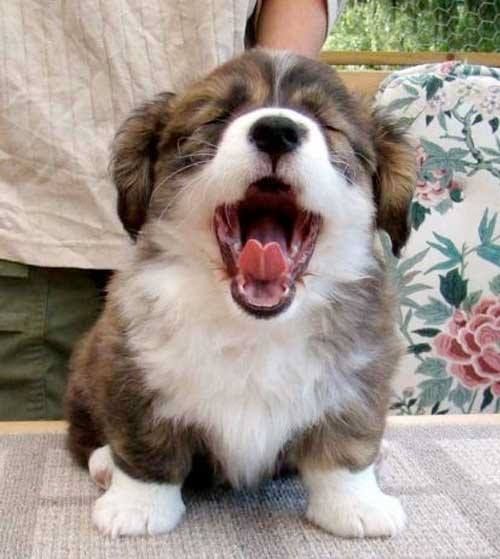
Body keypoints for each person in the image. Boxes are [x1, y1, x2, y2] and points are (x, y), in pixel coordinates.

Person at [0, 0, 345, 420]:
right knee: (39, 460)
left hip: (217, 175)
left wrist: (276, 103)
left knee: (286, 445)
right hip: (34, 212)